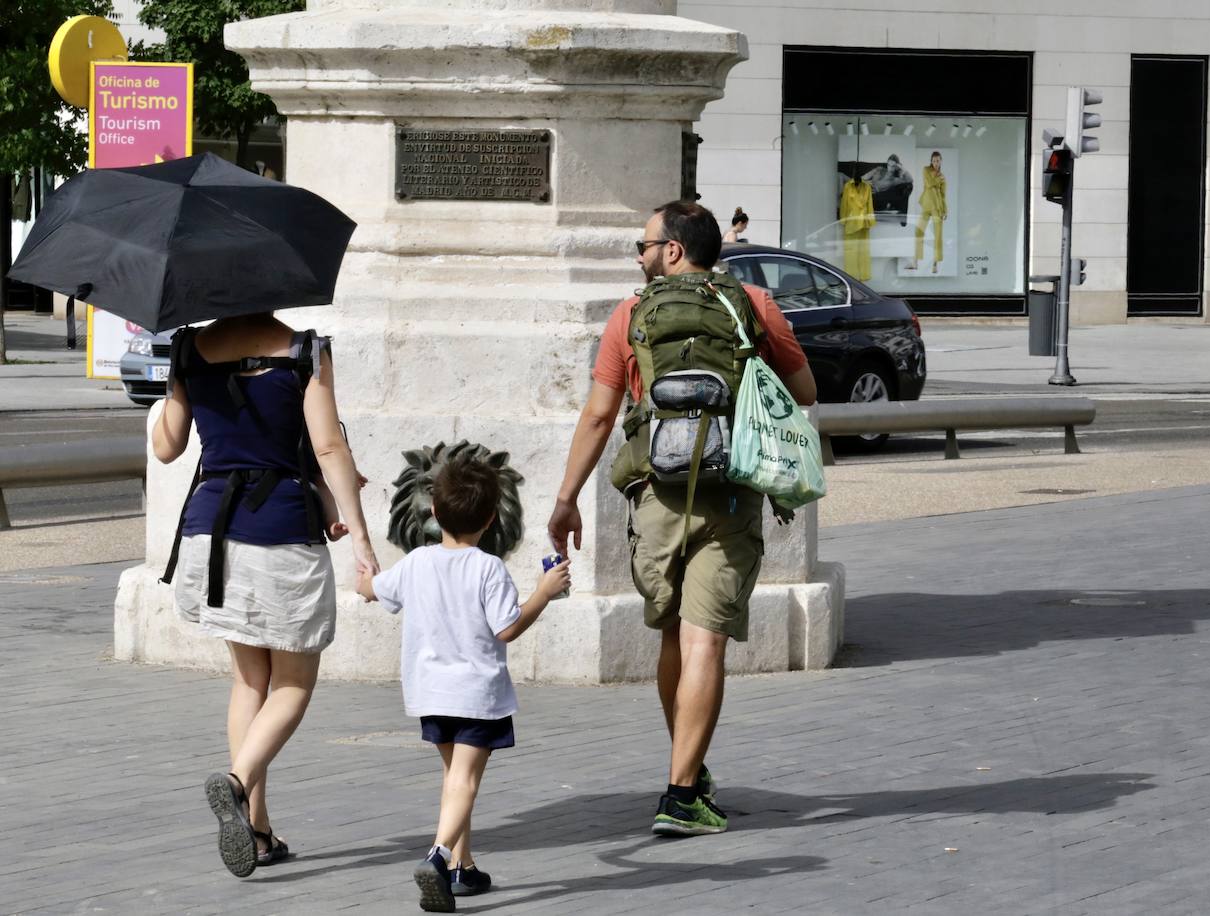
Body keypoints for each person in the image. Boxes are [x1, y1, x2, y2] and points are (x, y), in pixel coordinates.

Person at [547, 200, 817, 836]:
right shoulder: (753, 304)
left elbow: (597, 417)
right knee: (707, 642)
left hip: (657, 496)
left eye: (643, 246)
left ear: (672, 250)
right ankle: (681, 789)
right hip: (728, 493)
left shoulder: (629, 316)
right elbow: (804, 393)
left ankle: (688, 776)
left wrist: (565, 499)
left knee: (672, 637)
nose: (639, 257)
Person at [152, 311, 379, 878]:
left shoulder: (187, 350)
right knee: (294, 685)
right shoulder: (305, 351)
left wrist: (172, 386)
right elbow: (327, 448)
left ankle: (256, 831)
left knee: (250, 680)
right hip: (278, 529)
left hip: (211, 533)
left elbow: (166, 448)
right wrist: (363, 542)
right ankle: (234, 783)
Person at [357, 460, 571, 912]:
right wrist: (544, 593)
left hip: (431, 694)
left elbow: (372, 589)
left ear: (433, 510)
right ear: (492, 518)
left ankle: (463, 866)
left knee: (455, 777)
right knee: (466, 780)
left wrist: (364, 573)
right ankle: (437, 855)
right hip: (477, 695)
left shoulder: (417, 561)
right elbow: (508, 628)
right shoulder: (488, 568)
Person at [907, 151, 948, 274]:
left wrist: (945, 210)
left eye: (938, 160)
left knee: (938, 236)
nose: (936, 163)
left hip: (938, 208)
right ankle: (915, 262)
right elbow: (929, 183)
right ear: (931, 161)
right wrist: (938, 179)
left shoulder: (943, 177)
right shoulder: (926, 170)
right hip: (926, 206)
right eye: (934, 160)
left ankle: (935, 264)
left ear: (941, 161)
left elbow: (943, 195)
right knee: (919, 231)